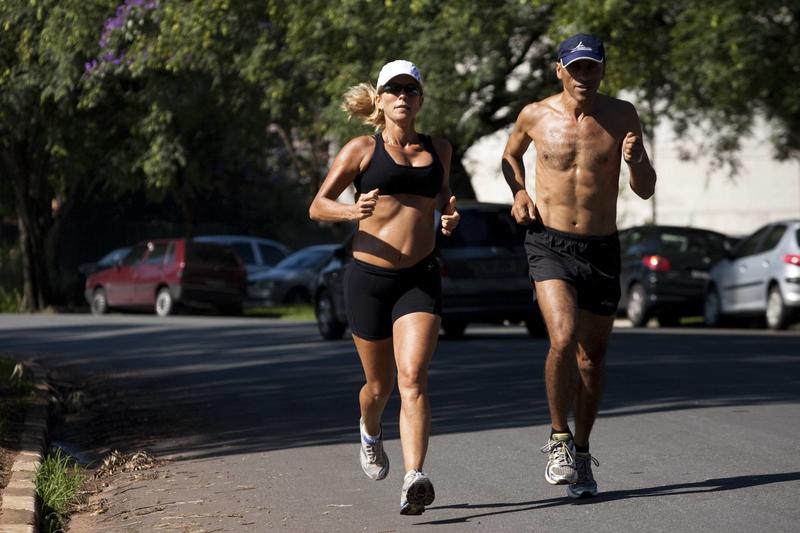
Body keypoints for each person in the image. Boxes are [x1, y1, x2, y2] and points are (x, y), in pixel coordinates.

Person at [501, 34, 656, 498]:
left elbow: (645, 189)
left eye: (592, 67)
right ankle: (559, 439)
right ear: (559, 70)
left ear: (602, 70)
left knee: (593, 358)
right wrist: (520, 192)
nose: (584, 76)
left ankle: (583, 453)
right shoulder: (534, 114)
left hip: (601, 247)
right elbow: (510, 155)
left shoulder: (623, 115)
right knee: (563, 338)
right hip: (548, 242)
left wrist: (637, 159)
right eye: (576, 68)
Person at [309, 60, 460, 515]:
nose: (401, 96)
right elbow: (317, 205)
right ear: (379, 98)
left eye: (409, 90)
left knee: (413, 377)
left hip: (420, 275)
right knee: (379, 386)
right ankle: (370, 431)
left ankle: (414, 477)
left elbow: (443, 195)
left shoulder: (440, 149)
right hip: (368, 278)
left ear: (420, 99)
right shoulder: (361, 150)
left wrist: (451, 214)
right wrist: (350, 212)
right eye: (392, 89)